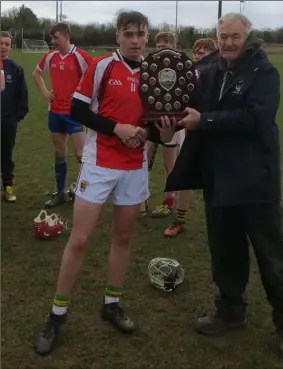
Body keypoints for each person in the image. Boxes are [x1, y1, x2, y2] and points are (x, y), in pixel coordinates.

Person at [34, 11, 176, 356]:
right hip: (99, 165)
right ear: (118, 36)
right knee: (80, 240)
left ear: (147, 36)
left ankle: (111, 304)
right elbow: (79, 112)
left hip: (134, 167)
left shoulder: (155, 74)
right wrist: (117, 128)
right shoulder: (101, 67)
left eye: (141, 34)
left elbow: (162, 125)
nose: (135, 40)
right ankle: (57, 315)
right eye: (129, 33)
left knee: (123, 237)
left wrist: (158, 132)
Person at [165, 13, 283, 359]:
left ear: (248, 37)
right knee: (224, 250)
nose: (228, 42)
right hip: (219, 177)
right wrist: (167, 113)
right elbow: (188, 103)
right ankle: (230, 311)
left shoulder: (264, 72)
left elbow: (257, 117)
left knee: (271, 256)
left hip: (256, 179)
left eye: (235, 37)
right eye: (223, 36)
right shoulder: (209, 70)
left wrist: (205, 120)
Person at [33, 23, 92, 208]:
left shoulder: (80, 56)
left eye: (56, 37)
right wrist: (44, 92)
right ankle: (60, 193)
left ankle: (84, 191)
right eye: (52, 38)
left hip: (75, 113)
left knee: (81, 154)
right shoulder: (50, 56)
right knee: (59, 152)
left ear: (66, 36)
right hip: (55, 111)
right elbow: (36, 73)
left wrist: (84, 99)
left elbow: (95, 78)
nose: (53, 41)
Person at [164, 38, 218, 238]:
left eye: (203, 52)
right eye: (196, 52)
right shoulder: (188, 75)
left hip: (217, 136)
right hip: (192, 135)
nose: (198, 56)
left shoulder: (221, 75)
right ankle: (179, 219)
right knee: (185, 176)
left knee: (220, 181)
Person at [141, 32, 186, 218]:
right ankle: (141, 199)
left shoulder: (183, 67)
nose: (161, 49)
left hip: (172, 122)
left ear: (174, 46)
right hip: (151, 121)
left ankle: (168, 201)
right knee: (144, 159)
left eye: (165, 45)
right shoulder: (150, 66)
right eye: (158, 46)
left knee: (169, 163)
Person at [1, 31, 29, 202]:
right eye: (0, 43)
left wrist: (16, 116)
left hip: (7, 120)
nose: (3, 47)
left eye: (6, 44)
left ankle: (8, 187)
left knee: (6, 154)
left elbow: (23, 95)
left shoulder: (16, 69)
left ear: (10, 47)